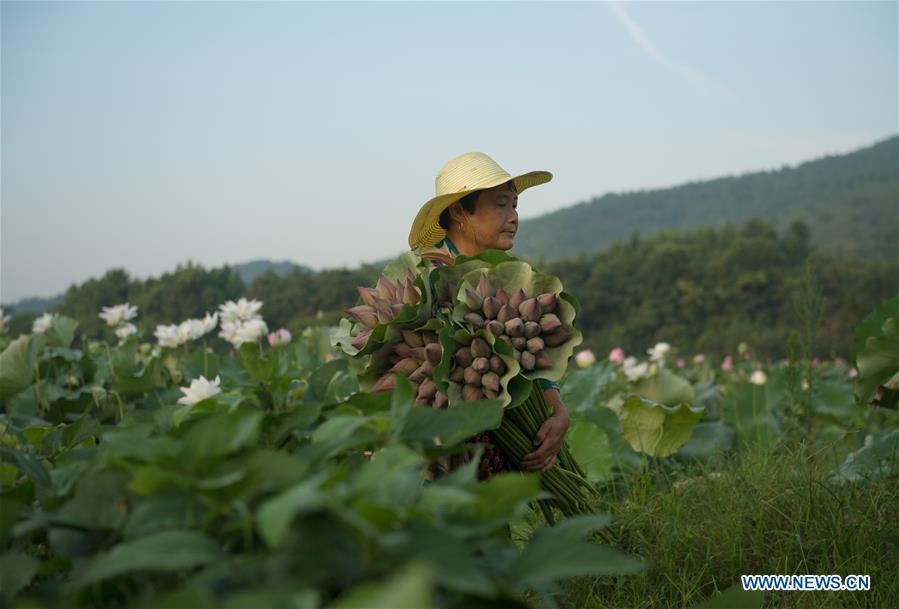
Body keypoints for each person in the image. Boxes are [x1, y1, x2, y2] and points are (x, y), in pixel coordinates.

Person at [408, 151, 571, 480]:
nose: (513, 216)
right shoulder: (421, 282)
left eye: (514, 205)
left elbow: (530, 354)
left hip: (490, 464)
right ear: (459, 212)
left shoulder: (507, 279)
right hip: (434, 461)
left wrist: (556, 406)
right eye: (501, 204)